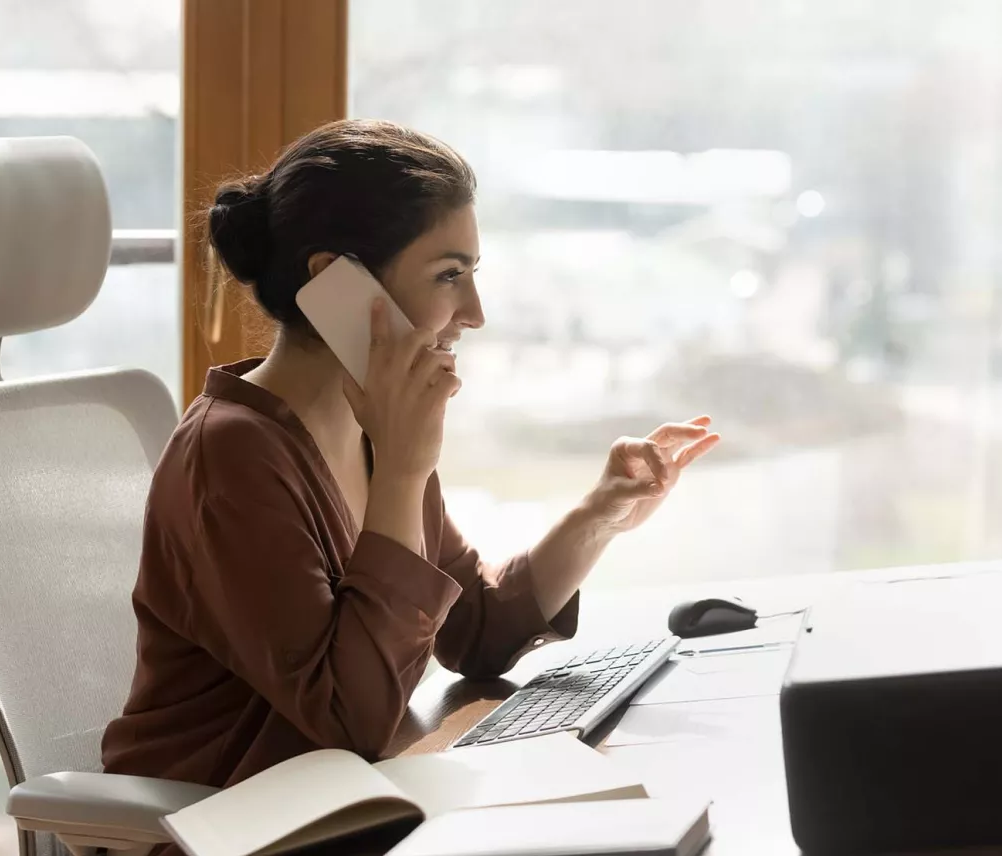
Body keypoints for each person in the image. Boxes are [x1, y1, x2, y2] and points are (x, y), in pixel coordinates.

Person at [101, 119, 720, 797]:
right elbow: (351, 717)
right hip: (230, 825)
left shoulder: (371, 425)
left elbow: (477, 628)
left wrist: (601, 513)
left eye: (472, 274)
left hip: (347, 807)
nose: (476, 312)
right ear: (337, 282)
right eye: (449, 275)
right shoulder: (230, 456)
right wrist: (402, 467)